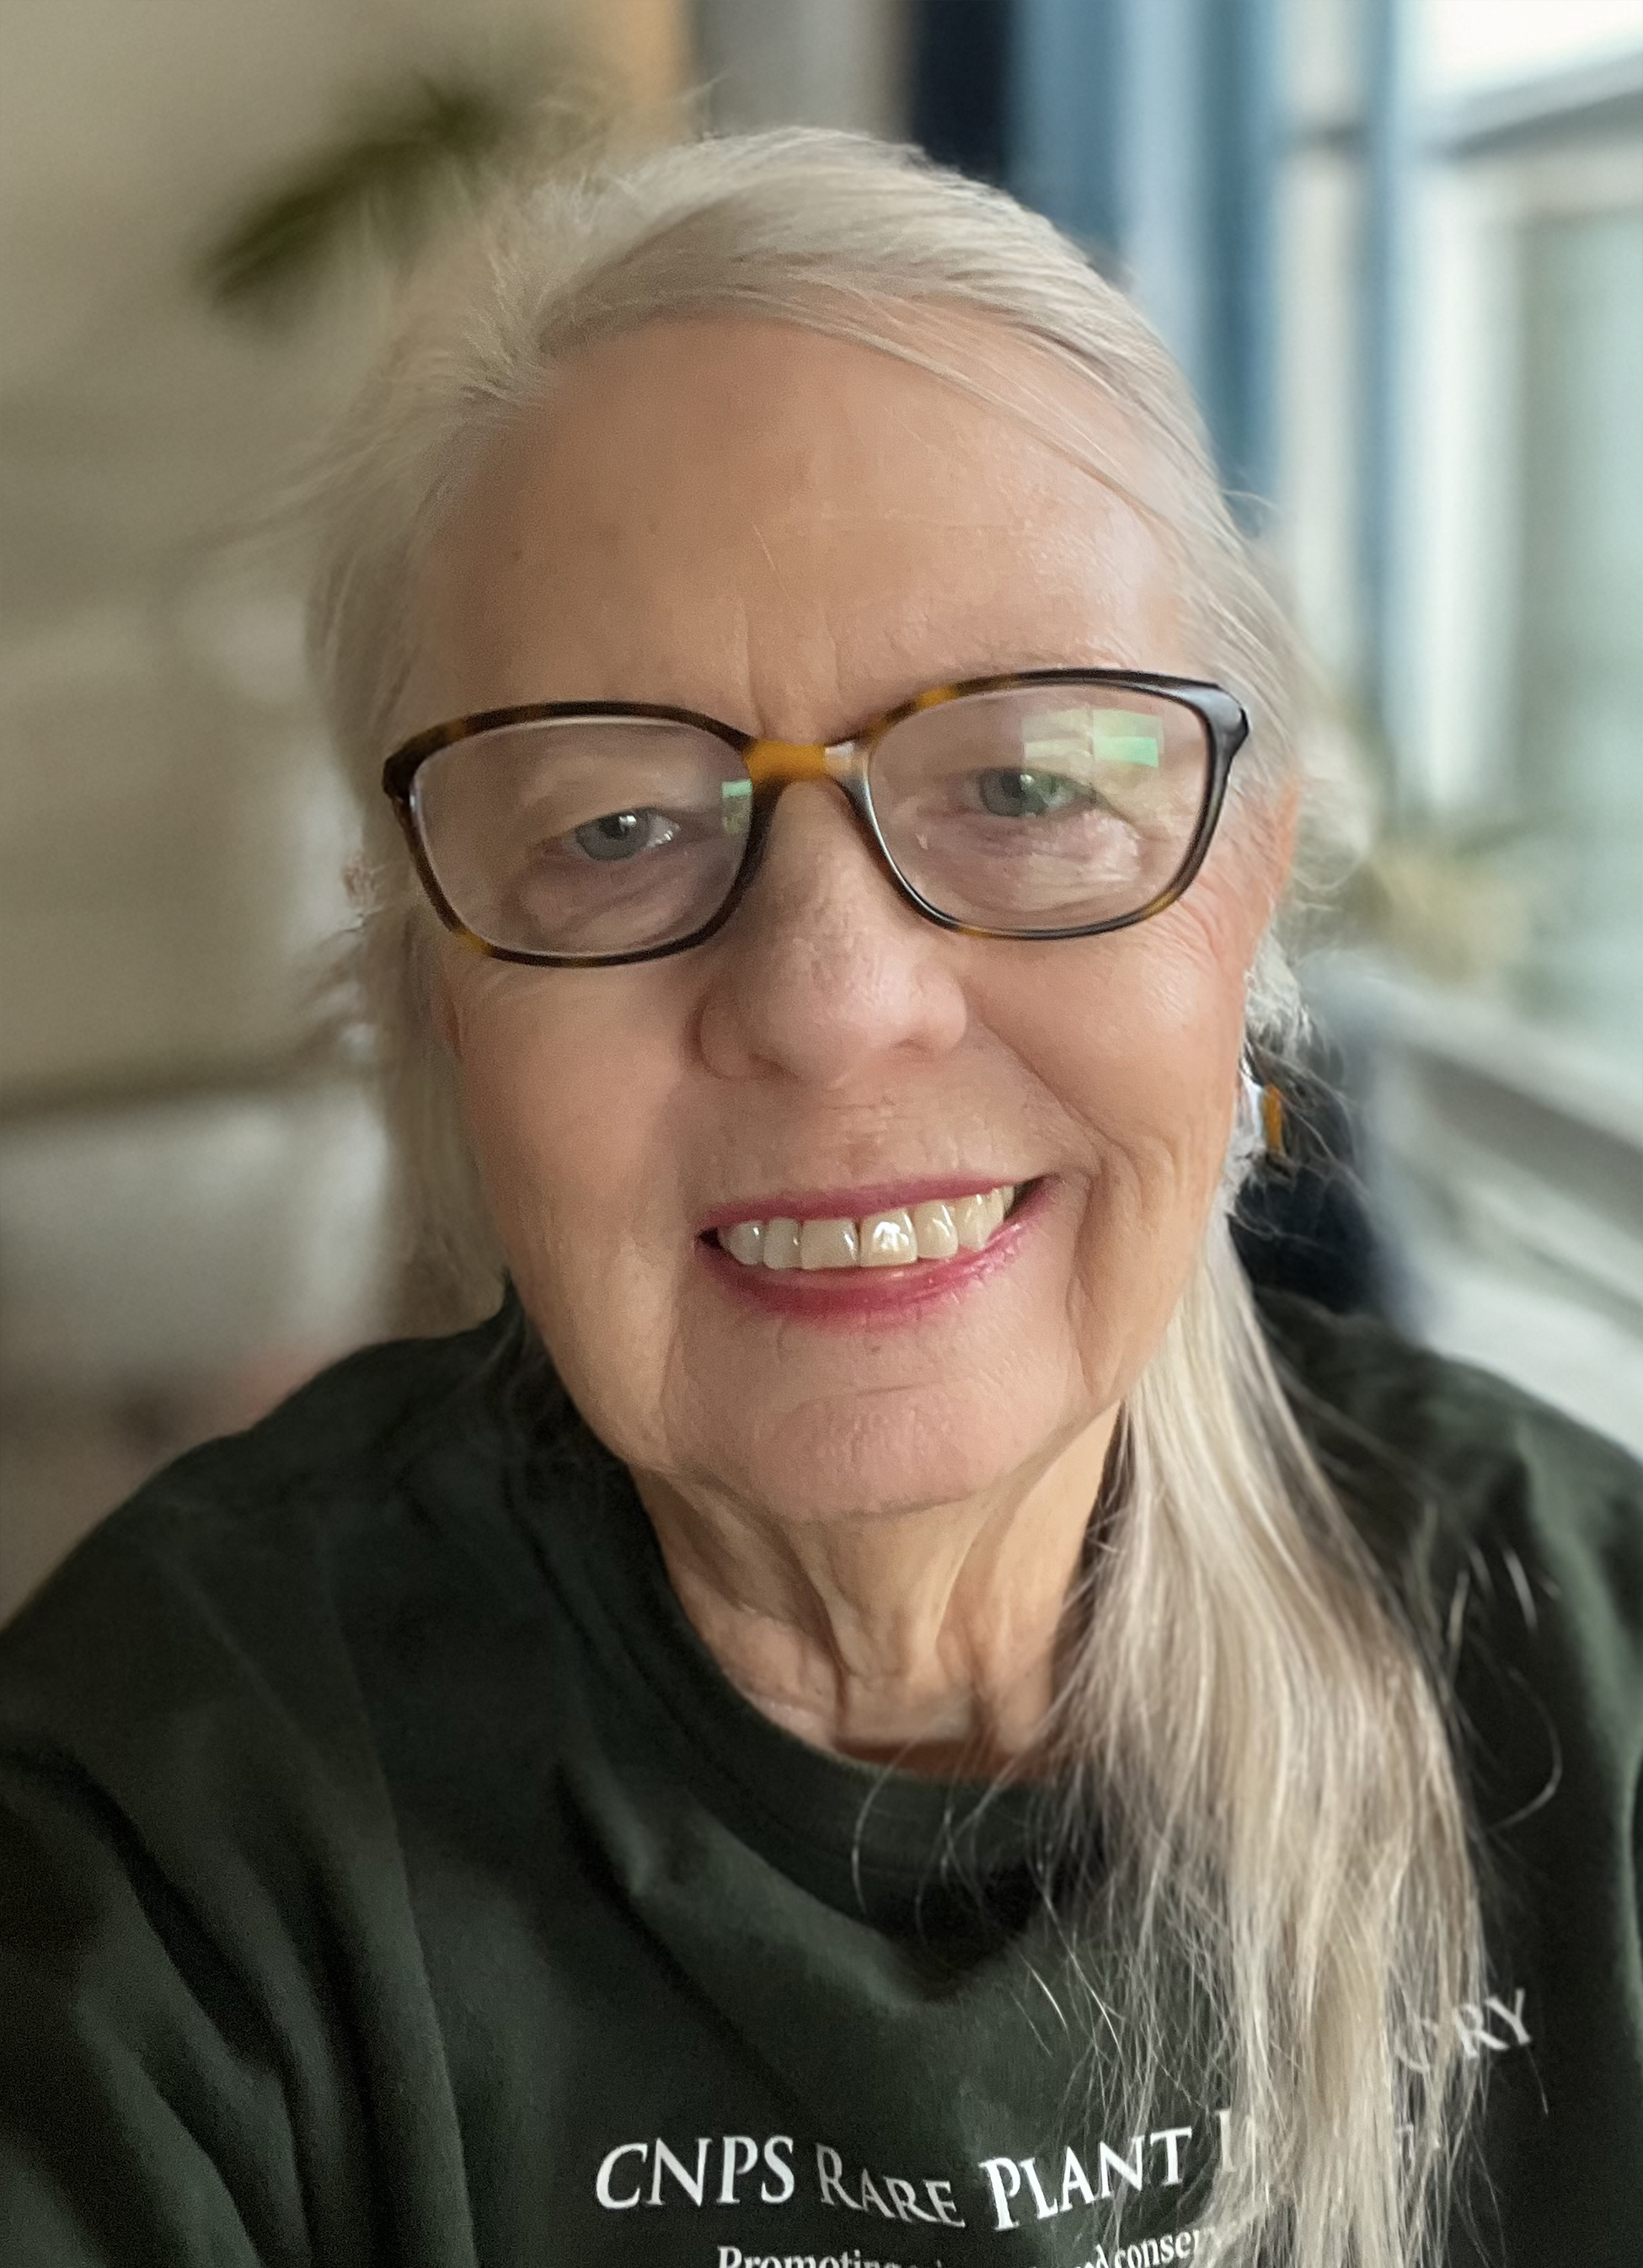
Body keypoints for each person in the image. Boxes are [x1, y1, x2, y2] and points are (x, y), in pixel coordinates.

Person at [1, 131, 1637, 2268]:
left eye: (1028, 784)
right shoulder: (155, 1836)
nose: (831, 1000)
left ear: (1242, 894)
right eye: (614, 828)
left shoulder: (1596, 1666)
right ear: (434, 991)